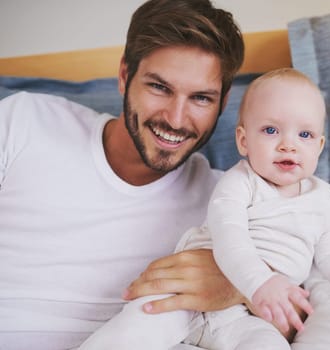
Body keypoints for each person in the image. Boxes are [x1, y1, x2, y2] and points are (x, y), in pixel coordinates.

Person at [78, 68, 330, 350]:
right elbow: (230, 239)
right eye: (271, 130)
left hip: (246, 315)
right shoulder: (240, 183)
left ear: (319, 146)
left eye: (304, 134)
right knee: (135, 330)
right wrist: (262, 282)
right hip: (189, 295)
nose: (289, 144)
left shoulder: (322, 197)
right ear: (243, 141)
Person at [0, 1, 253, 349]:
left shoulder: (228, 201)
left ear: (222, 105)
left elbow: (299, 297)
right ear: (123, 76)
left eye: (200, 98)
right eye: (159, 88)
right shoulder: (25, 122)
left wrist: (237, 285)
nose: (176, 120)